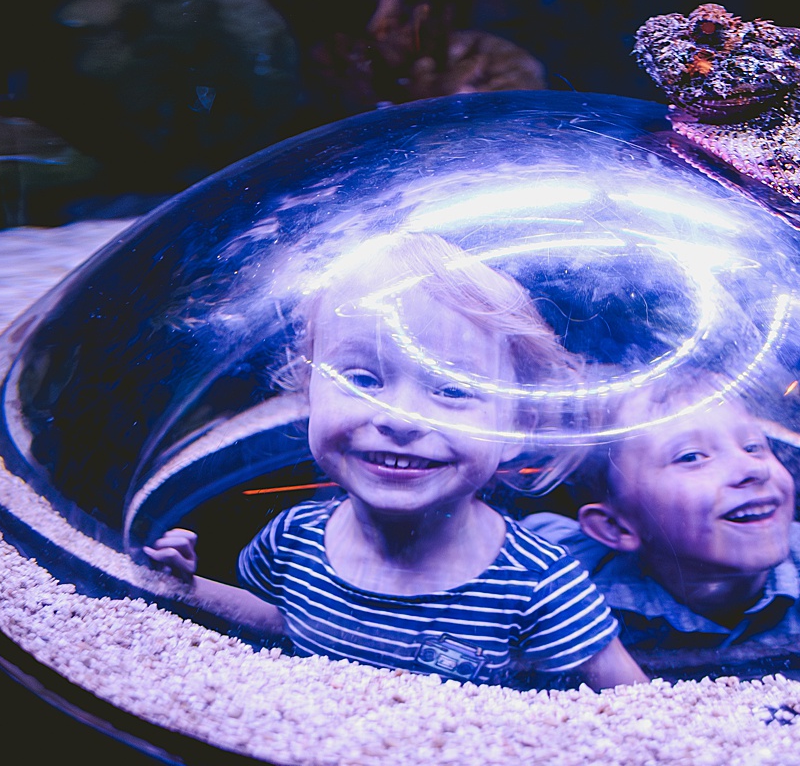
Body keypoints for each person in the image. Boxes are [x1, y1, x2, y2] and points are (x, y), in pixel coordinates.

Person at [146, 233, 644, 688]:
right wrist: (190, 589)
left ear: (517, 427)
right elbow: (282, 623)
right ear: (307, 391)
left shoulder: (540, 583)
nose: (401, 419)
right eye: (363, 379)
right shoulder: (290, 539)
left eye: (452, 388)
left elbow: (631, 703)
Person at [525, 371, 800, 650]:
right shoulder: (561, 584)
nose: (752, 470)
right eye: (692, 457)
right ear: (615, 528)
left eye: (754, 446)